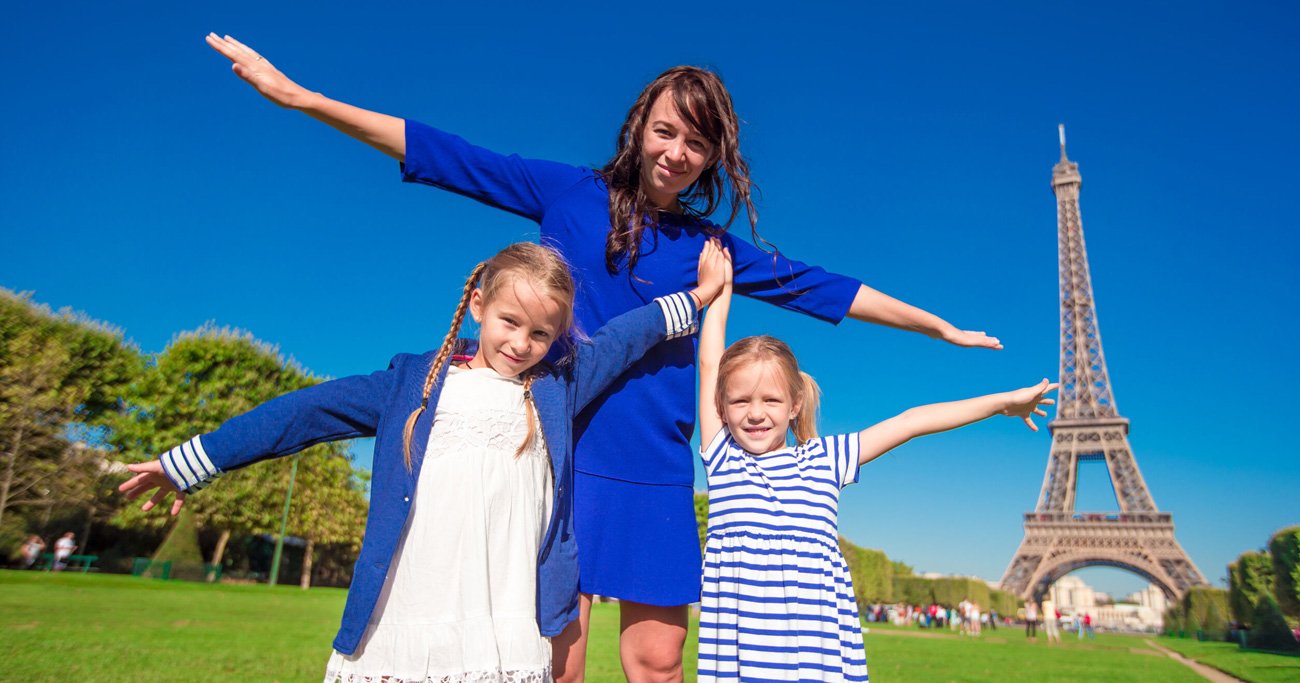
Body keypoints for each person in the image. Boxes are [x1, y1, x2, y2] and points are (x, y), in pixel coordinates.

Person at [205, 34, 1003, 682]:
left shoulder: (710, 246)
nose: (677, 151)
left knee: (657, 662)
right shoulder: (567, 192)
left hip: (655, 466)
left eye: (697, 142)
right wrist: (302, 98)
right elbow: (444, 153)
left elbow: (819, 286)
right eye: (666, 130)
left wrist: (937, 328)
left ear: (713, 157)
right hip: (562, 453)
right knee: (563, 660)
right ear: (638, 126)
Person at [119, 241, 728, 683]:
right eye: (510, 322)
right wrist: (189, 462)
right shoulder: (415, 382)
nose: (521, 344)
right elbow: (303, 414)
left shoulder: (555, 386)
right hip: (416, 600)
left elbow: (629, 335)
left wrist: (700, 296)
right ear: (478, 306)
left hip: (505, 610)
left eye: (540, 334)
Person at [693, 259, 1055, 681]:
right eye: (740, 402)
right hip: (744, 661)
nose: (755, 413)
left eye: (770, 401)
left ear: (794, 406)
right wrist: (718, 291)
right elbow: (709, 364)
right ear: (721, 407)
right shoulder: (723, 459)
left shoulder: (825, 459)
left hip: (816, 659)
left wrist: (1001, 403)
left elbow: (911, 421)